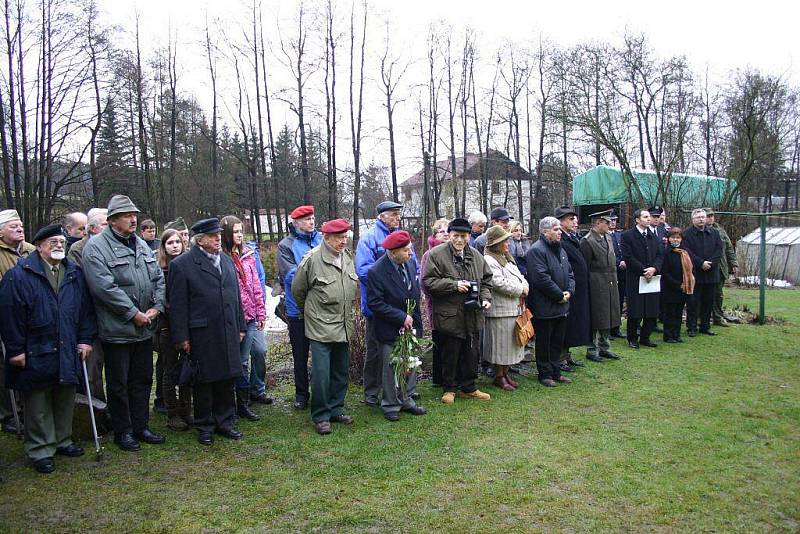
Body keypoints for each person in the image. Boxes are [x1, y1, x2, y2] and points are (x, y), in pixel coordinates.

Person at [0, 224, 97, 473]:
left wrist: (85, 339)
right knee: (38, 402)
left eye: (61, 243)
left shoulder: (74, 273)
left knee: (64, 396)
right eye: (52, 242)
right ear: (40, 246)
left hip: (67, 346)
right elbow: (9, 317)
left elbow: (86, 311)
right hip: (34, 348)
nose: (58, 246)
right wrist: (15, 350)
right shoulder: (19, 275)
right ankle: (40, 449)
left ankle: (62, 440)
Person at [82, 195, 167, 452]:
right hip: (118, 331)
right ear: (112, 220)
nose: (133, 219)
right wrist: (133, 314)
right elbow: (104, 288)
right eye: (127, 215)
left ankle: (141, 426)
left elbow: (158, 279)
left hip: (144, 328)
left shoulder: (140, 244)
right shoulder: (96, 248)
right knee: (119, 384)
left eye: (134, 215)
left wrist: (156, 308)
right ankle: (124, 431)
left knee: (142, 379)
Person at [168, 218, 247, 446]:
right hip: (202, 333)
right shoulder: (182, 265)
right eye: (213, 235)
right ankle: (205, 425)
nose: (218, 238)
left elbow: (236, 298)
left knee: (226, 377)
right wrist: (182, 337)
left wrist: (240, 325)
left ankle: (226, 422)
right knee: (204, 381)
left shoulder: (226, 259)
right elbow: (178, 305)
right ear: (199, 240)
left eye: (219, 234)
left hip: (228, 329)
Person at [292, 218, 358, 435]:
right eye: (339, 238)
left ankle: (336, 408)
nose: (343, 241)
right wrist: (312, 314)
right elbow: (298, 291)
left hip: (343, 325)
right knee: (321, 374)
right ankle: (321, 415)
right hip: (320, 327)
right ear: (326, 238)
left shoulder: (347, 257)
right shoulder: (312, 259)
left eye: (345, 237)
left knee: (340, 371)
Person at [422, 217, 492, 404]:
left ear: (469, 236)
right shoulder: (436, 255)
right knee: (450, 353)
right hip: (449, 314)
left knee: (471, 353)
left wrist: (485, 299)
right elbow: (427, 282)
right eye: (455, 236)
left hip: (472, 314)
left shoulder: (477, 256)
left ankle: (469, 387)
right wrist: (453, 285)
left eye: (463, 236)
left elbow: (486, 280)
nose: (459, 240)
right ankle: (449, 389)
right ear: (449, 235)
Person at [355, 200, 417, 408]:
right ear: (381, 216)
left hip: (402, 308)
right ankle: (372, 391)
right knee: (376, 351)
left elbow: (412, 265)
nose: (397, 218)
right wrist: (388, 284)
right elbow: (363, 271)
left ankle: (403, 391)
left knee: (403, 351)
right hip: (378, 307)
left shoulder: (403, 238)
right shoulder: (369, 238)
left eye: (398, 214)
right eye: (393, 214)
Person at [365, 230, 427, 421]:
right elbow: (375, 303)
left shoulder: (407, 263)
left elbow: (412, 291)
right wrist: (400, 317)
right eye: (406, 250)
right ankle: (391, 404)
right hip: (389, 328)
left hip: (410, 327)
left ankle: (407, 399)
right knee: (392, 366)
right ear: (393, 252)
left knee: (410, 363)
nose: (411, 253)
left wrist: (416, 322)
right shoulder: (377, 271)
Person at [220, 215, 266, 423]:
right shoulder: (221, 257)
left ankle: (243, 403)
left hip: (248, 316)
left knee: (244, 361)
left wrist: (260, 313)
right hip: (229, 318)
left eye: (241, 231)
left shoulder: (248, 255)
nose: (239, 235)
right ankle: (227, 404)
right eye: (235, 232)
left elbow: (256, 286)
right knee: (231, 362)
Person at [277, 205, 322, 410]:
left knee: (322, 353)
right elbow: (291, 275)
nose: (311, 222)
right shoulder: (286, 246)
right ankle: (302, 394)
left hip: (322, 308)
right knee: (301, 355)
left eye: (312, 218)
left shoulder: (322, 239)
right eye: (306, 219)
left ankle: (322, 391)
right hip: (298, 310)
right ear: (295, 223)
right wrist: (320, 279)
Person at [525, 216, 575, 387]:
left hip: (562, 306)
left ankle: (556, 371)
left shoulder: (560, 250)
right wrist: (559, 295)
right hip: (545, 307)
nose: (559, 232)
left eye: (560, 229)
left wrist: (569, 291)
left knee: (557, 341)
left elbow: (570, 274)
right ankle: (545, 374)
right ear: (545, 232)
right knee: (544, 342)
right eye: (556, 229)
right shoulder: (536, 250)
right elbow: (541, 279)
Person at [0, 209, 35, 434]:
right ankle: (9, 414)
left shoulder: (32, 250)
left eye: (20, 225)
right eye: (13, 226)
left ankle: (29, 408)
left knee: (29, 362)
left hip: (31, 318)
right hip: (5, 317)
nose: (20, 229)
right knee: (5, 364)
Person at [482, 226, 528, 390]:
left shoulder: (506, 258)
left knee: (509, 346)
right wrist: (520, 290)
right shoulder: (489, 260)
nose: (508, 243)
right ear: (496, 243)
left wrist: (525, 286)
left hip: (513, 308)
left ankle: (506, 373)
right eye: (504, 241)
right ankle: (499, 376)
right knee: (500, 346)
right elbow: (498, 282)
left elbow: (520, 276)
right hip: (500, 310)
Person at [156, 229, 192, 431]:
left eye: (178, 241)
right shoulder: (160, 271)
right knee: (169, 371)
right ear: (164, 246)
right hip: (168, 327)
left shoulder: (188, 267)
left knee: (187, 369)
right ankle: (172, 413)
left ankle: (187, 410)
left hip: (189, 326)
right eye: (170, 242)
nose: (175, 245)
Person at [579, 210, 621, 362]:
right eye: (607, 222)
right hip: (596, 284)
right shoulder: (587, 241)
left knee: (608, 315)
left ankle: (605, 347)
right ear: (597, 223)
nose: (610, 225)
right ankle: (592, 349)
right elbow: (585, 267)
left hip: (610, 281)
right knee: (595, 317)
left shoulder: (608, 238)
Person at [620, 209, 664, 349]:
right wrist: (644, 270)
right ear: (637, 220)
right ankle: (632, 338)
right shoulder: (628, 236)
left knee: (651, 310)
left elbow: (659, 255)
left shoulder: (653, 235)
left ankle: (646, 337)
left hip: (652, 278)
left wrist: (654, 268)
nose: (648, 219)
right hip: (636, 277)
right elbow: (628, 257)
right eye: (645, 217)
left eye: (648, 217)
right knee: (635, 310)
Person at [555, 206, 590, 370]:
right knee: (566, 324)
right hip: (568, 289)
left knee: (574, 323)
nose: (575, 222)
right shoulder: (560, 240)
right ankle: (560, 357)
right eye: (570, 219)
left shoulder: (573, 238)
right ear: (561, 222)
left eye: (575, 219)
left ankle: (567, 355)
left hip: (578, 288)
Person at [682, 208, 723, 337]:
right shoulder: (687, 234)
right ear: (693, 219)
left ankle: (705, 326)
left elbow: (719, 249)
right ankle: (692, 327)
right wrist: (701, 263)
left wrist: (710, 263)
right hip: (695, 273)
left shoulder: (714, 233)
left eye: (703, 217)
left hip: (711, 273)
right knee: (693, 302)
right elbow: (687, 251)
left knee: (708, 301)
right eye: (698, 217)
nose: (701, 219)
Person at [419, 218, 449, 386]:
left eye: (447, 231)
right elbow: (425, 283)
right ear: (435, 234)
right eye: (441, 231)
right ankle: (438, 378)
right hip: (437, 303)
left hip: (453, 305)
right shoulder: (429, 254)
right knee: (439, 339)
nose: (445, 234)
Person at [660, 228, 695, 343]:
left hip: (684, 288)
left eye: (678, 237)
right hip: (670, 288)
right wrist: (677, 284)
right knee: (670, 313)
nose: (675, 240)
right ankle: (668, 335)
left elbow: (689, 269)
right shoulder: (666, 252)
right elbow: (665, 272)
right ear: (669, 239)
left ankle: (676, 334)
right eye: (673, 237)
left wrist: (687, 282)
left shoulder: (684, 252)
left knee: (679, 313)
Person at [706, 209, 738, 326]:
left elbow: (729, 248)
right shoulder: (699, 231)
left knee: (718, 294)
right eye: (707, 216)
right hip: (705, 268)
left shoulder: (720, 231)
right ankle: (701, 317)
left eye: (711, 216)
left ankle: (717, 317)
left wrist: (734, 263)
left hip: (720, 268)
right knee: (703, 295)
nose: (710, 218)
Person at [609, 213, 626, 339]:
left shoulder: (619, 234)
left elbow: (624, 250)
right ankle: (608, 329)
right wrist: (618, 262)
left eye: (615, 220)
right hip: (610, 271)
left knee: (619, 300)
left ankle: (616, 328)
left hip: (622, 272)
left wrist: (624, 261)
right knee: (610, 301)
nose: (613, 222)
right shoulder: (604, 236)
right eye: (611, 220)